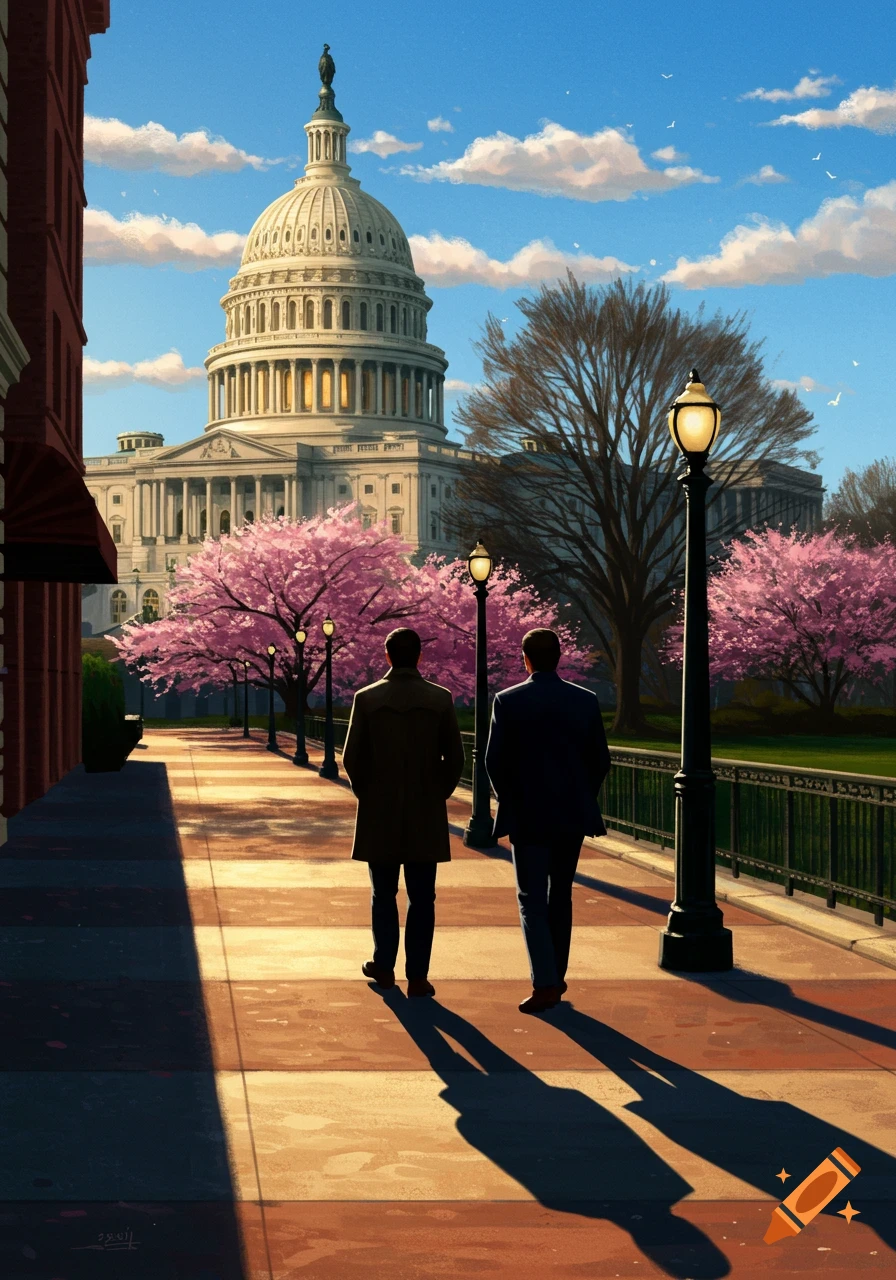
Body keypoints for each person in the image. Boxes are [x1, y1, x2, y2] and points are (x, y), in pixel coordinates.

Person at [485, 628, 611, 1014]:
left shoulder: (508, 701)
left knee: (531, 899)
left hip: (528, 813)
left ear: (525, 658)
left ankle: (546, 981)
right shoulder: (585, 701)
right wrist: (580, 793)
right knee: (562, 895)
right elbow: (599, 760)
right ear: (559, 657)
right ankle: (556, 973)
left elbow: (494, 760)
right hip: (571, 813)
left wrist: (511, 797)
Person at [342, 627, 465, 997]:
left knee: (383, 892)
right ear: (420, 657)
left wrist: (370, 795)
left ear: (387, 656)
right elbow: (455, 759)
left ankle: (383, 964)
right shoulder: (440, 699)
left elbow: (351, 758)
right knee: (423, 896)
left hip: (379, 810)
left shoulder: (367, 699)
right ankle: (418, 975)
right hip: (424, 809)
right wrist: (435, 794)